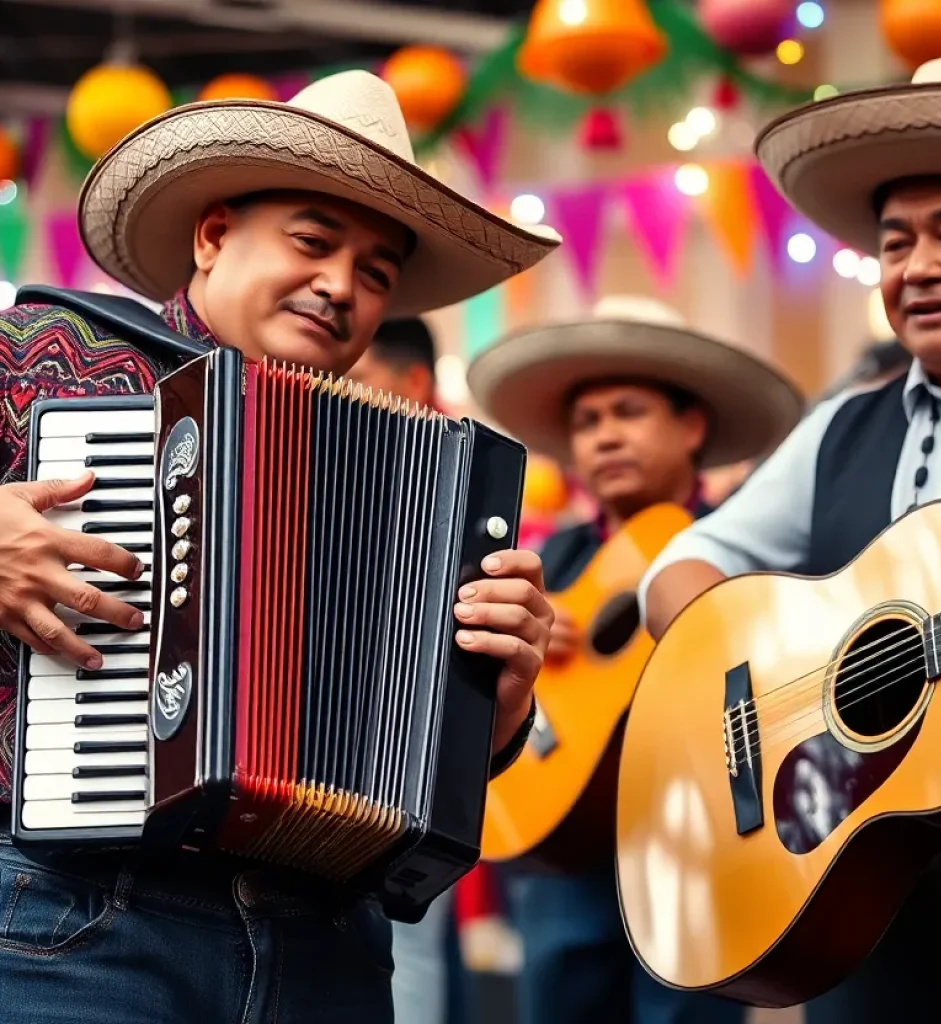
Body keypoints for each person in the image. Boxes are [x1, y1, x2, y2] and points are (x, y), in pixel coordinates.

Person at [0, 69, 562, 1022]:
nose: (341, 285)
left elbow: (420, 773)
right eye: (313, 240)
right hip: (75, 925)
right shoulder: (43, 349)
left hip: (326, 945)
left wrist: (495, 717)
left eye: (376, 272)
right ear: (215, 235)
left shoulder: (421, 476)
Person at [639, 57, 941, 1024]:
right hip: (868, 910)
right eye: (896, 244)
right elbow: (676, 570)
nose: (916, 267)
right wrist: (781, 672)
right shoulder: (842, 428)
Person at [466, 294, 803, 1024]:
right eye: (587, 423)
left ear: (691, 426)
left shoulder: (741, 549)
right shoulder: (549, 558)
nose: (605, 436)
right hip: (563, 857)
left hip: (701, 847)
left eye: (628, 412)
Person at [348, 315, 458, 1024]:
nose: (339, 393)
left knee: (409, 962)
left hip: (419, 769)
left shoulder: (459, 476)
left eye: (359, 380)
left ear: (411, 383)